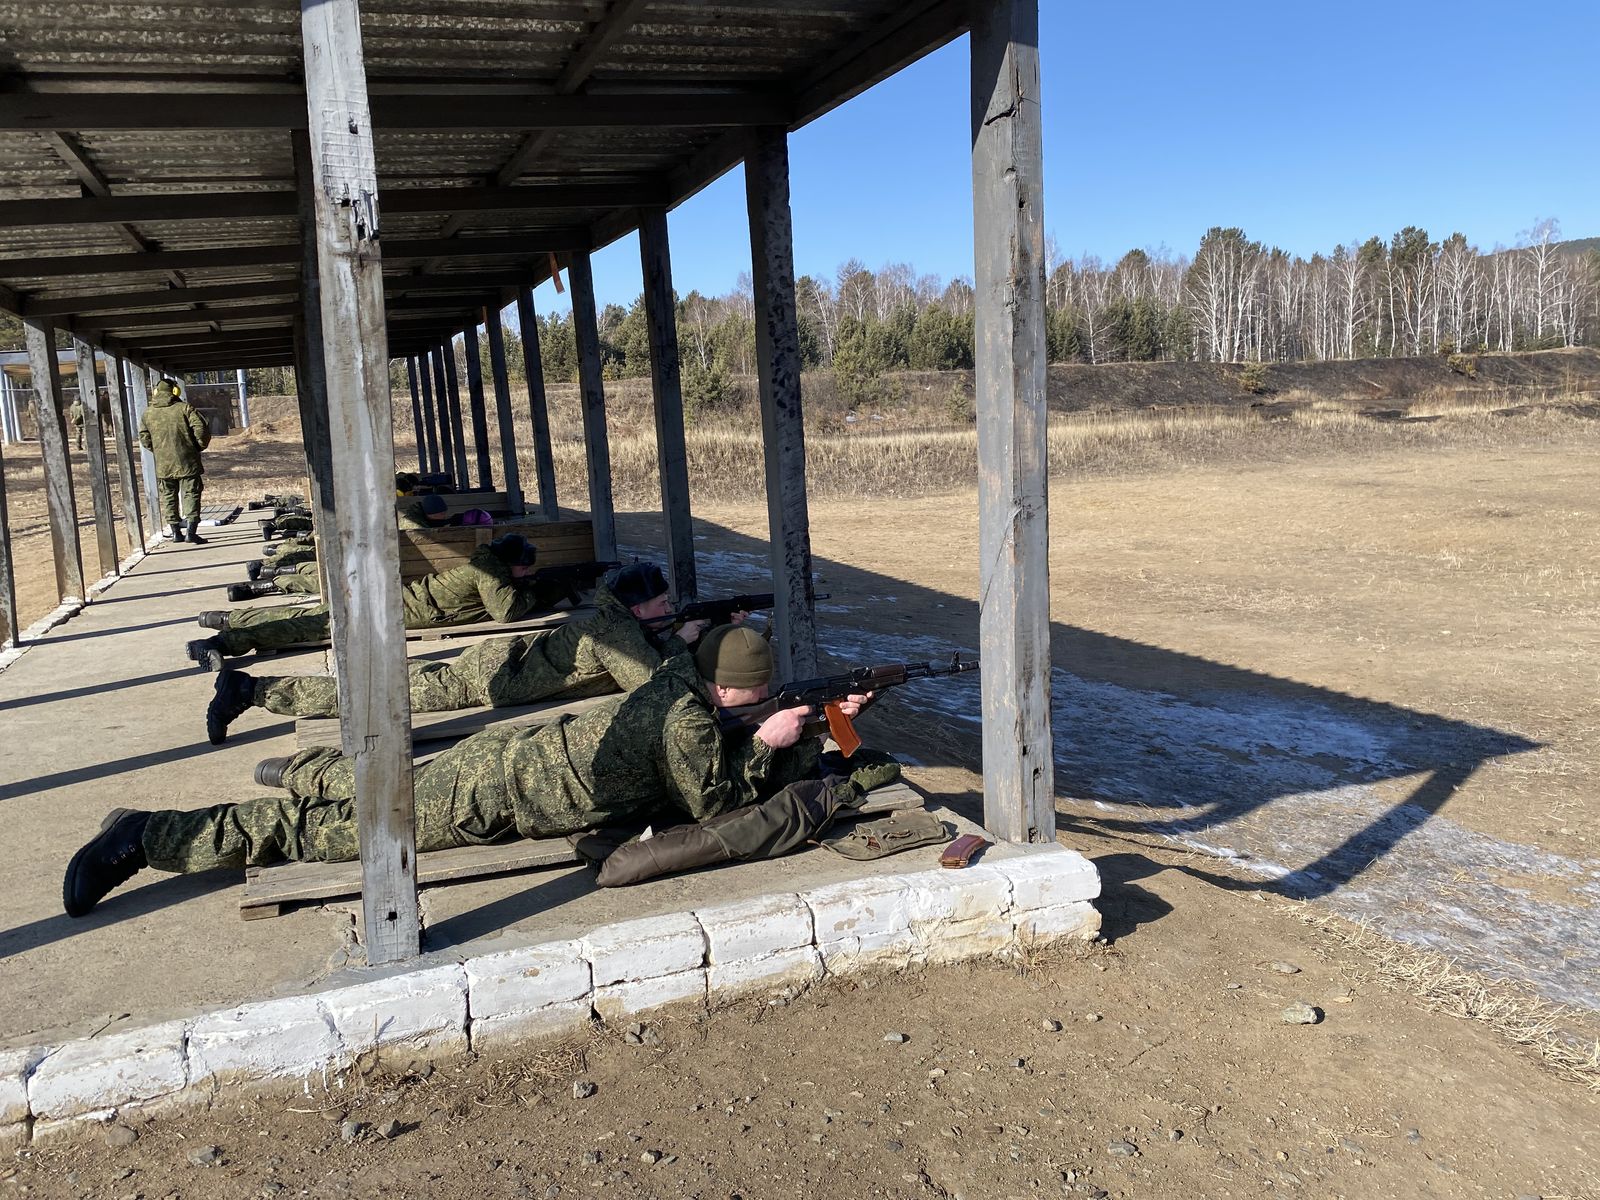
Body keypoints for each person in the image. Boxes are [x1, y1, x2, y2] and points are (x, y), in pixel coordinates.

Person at [63, 625, 875, 916]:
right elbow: (721, 797)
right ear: (724, 689)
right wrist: (775, 740)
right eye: (752, 697)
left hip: (506, 762)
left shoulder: (678, 682)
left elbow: (731, 756)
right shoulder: (685, 719)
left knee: (365, 795)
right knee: (334, 840)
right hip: (495, 793)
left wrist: (823, 725)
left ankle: (302, 766)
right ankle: (145, 837)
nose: (756, 706)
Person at [205, 561, 713, 743]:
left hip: (503, 663)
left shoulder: (619, 621)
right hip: (490, 677)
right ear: (639, 606)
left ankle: (252, 687)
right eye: (663, 602)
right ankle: (251, 688)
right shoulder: (620, 632)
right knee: (379, 700)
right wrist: (682, 642)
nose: (670, 606)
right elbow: (651, 687)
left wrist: (678, 632)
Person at [185, 534, 567, 670]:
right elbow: (506, 612)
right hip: (396, 609)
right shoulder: (490, 573)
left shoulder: (491, 566)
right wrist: (542, 591)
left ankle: (230, 621)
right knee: (312, 623)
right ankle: (221, 642)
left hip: (399, 604)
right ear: (514, 565)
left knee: (313, 617)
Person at [232, 494, 454, 600]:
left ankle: (269, 567)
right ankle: (267, 575)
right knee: (320, 573)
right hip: (367, 555)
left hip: (362, 546)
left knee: (314, 557)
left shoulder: (411, 512)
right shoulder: (413, 524)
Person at [137, 377, 211, 544]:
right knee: (191, 493)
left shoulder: (148, 413)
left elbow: (144, 437)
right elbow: (201, 427)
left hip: (164, 464)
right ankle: (191, 533)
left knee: (168, 496)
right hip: (187, 460)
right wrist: (198, 446)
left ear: (156, 392)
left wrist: (158, 451)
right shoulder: (185, 408)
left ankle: (176, 532)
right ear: (175, 391)